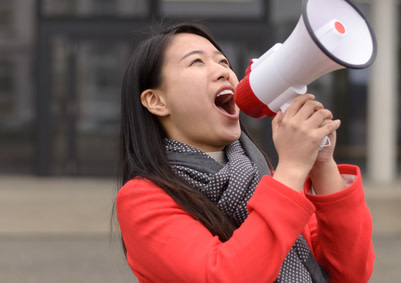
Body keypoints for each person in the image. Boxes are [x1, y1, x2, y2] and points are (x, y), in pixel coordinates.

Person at [115, 22, 374, 283]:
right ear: (156, 101)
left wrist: (321, 163)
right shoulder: (143, 198)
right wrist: (293, 169)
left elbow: (350, 273)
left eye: (224, 62)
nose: (222, 71)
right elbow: (224, 276)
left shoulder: (265, 179)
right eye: (196, 62)